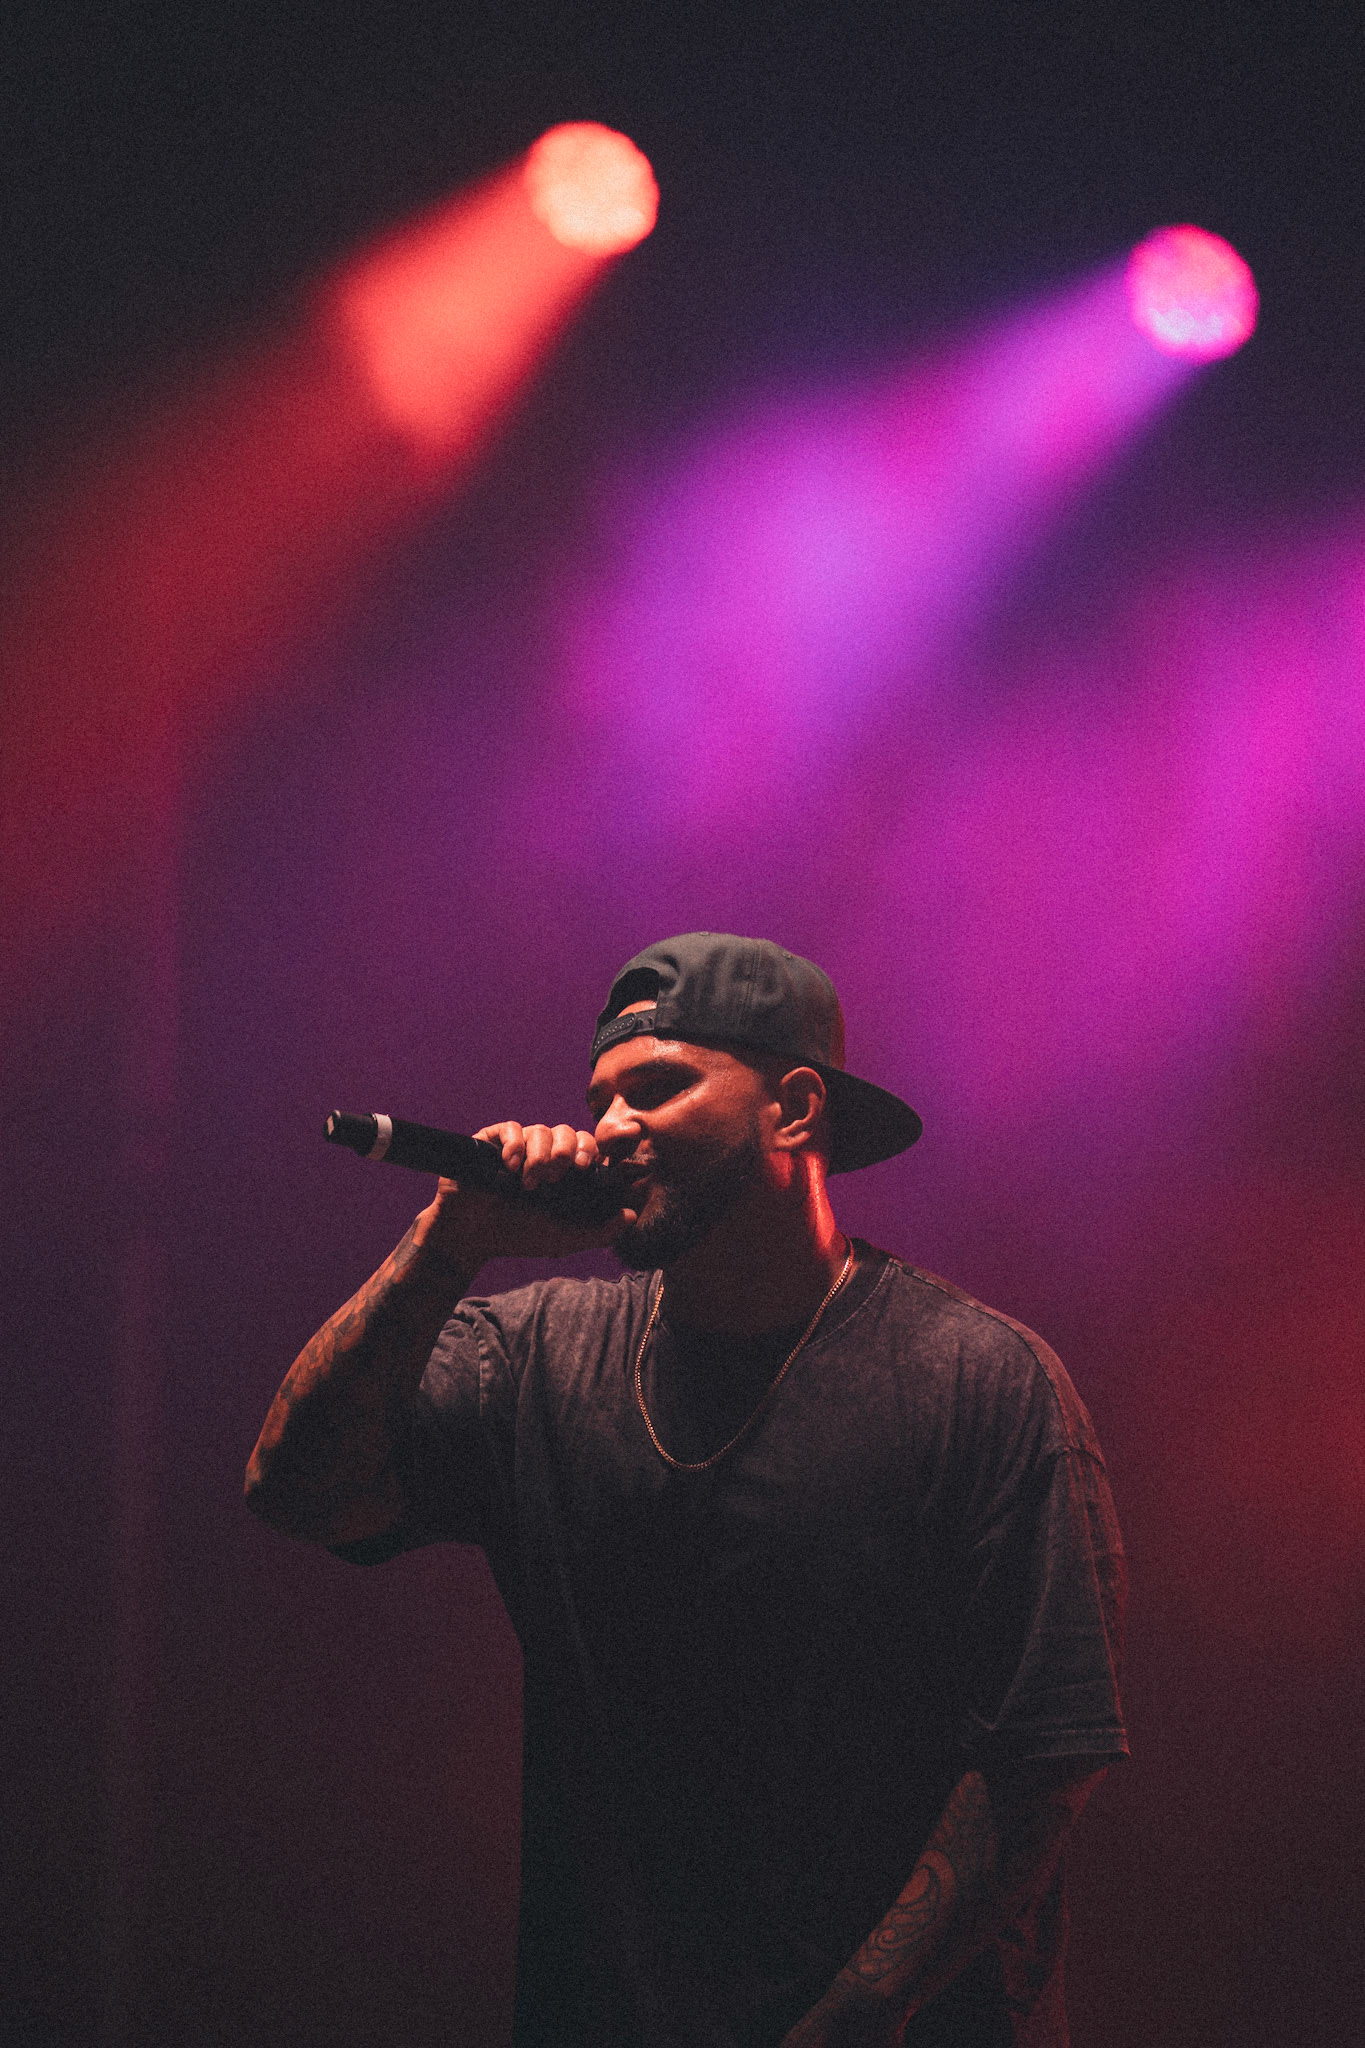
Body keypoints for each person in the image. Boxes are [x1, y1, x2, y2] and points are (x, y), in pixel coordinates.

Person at [246, 932, 1127, 2048]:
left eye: (657, 1087)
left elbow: (1042, 1759)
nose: (610, 1127)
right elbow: (298, 1491)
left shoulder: (978, 1380)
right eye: (599, 1100)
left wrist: (854, 2017)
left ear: (793, 1110)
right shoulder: (533, 1355)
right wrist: (448, 1241)